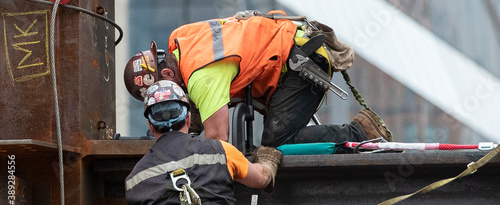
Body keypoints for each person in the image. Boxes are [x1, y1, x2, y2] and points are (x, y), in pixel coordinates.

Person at [123, 10, 392, 148]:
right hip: (291, 47)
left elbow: (218, 139)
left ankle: (361, 131)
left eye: (164, 93)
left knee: (277, 141)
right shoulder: (181, 39)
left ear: (168, 74)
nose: (167, 101)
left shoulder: (201, 76)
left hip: (301, 62)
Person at [125, 80, 283, 205]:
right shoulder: (220, 151)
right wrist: (268, 158)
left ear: (150, 126)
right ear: (188, 119)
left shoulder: (134, 180)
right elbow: (262, 178)